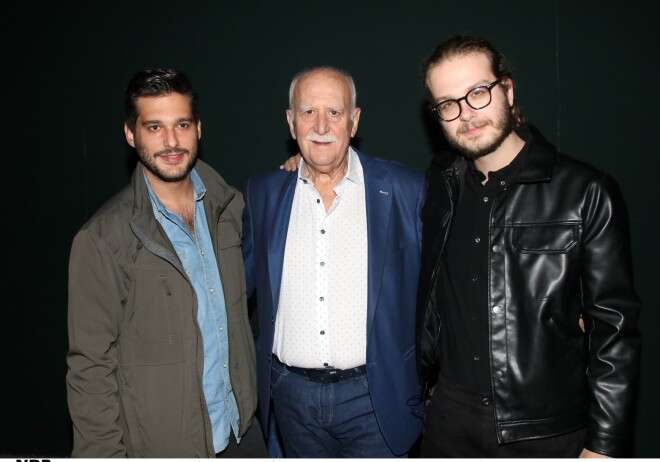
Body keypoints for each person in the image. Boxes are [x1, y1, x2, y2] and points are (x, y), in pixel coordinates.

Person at [417, 36, 641, 457]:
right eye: (448, 104)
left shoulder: (585, 192)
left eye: (478, 93)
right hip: (446, 424)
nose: (466, 114)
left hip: (544, 431)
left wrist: (605, 446)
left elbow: (615, 333)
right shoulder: (440, 186)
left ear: (507, 89)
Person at [66, 68, 265, 457]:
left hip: (242, 436)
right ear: (131, 134)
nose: (171, 141)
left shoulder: (231, 209)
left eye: (182, 125)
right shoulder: (103, 239)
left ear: (199, 129)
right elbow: (90, 369)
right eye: (154, 127)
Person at [242, 67, 425, 457]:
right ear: (291, 122)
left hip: (376, 399)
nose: (321, 126)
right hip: (291, 400)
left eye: (335, 113)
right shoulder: (264, 193)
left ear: (354, 121)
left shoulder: (405, 190)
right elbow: (238, 289)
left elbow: (437, 291)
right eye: (308, 112)